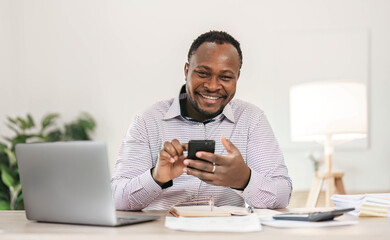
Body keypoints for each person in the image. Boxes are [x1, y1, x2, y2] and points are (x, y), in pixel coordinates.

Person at [111, 31, 292, 210]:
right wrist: (156, 177)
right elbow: (117, 199)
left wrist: (244, 179)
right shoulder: (147, 121)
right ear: (186, 70)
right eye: (203, 73)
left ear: (237, 77)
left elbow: (282, 195)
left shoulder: (252, 119)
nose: (212, 86)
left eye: (226, 77)